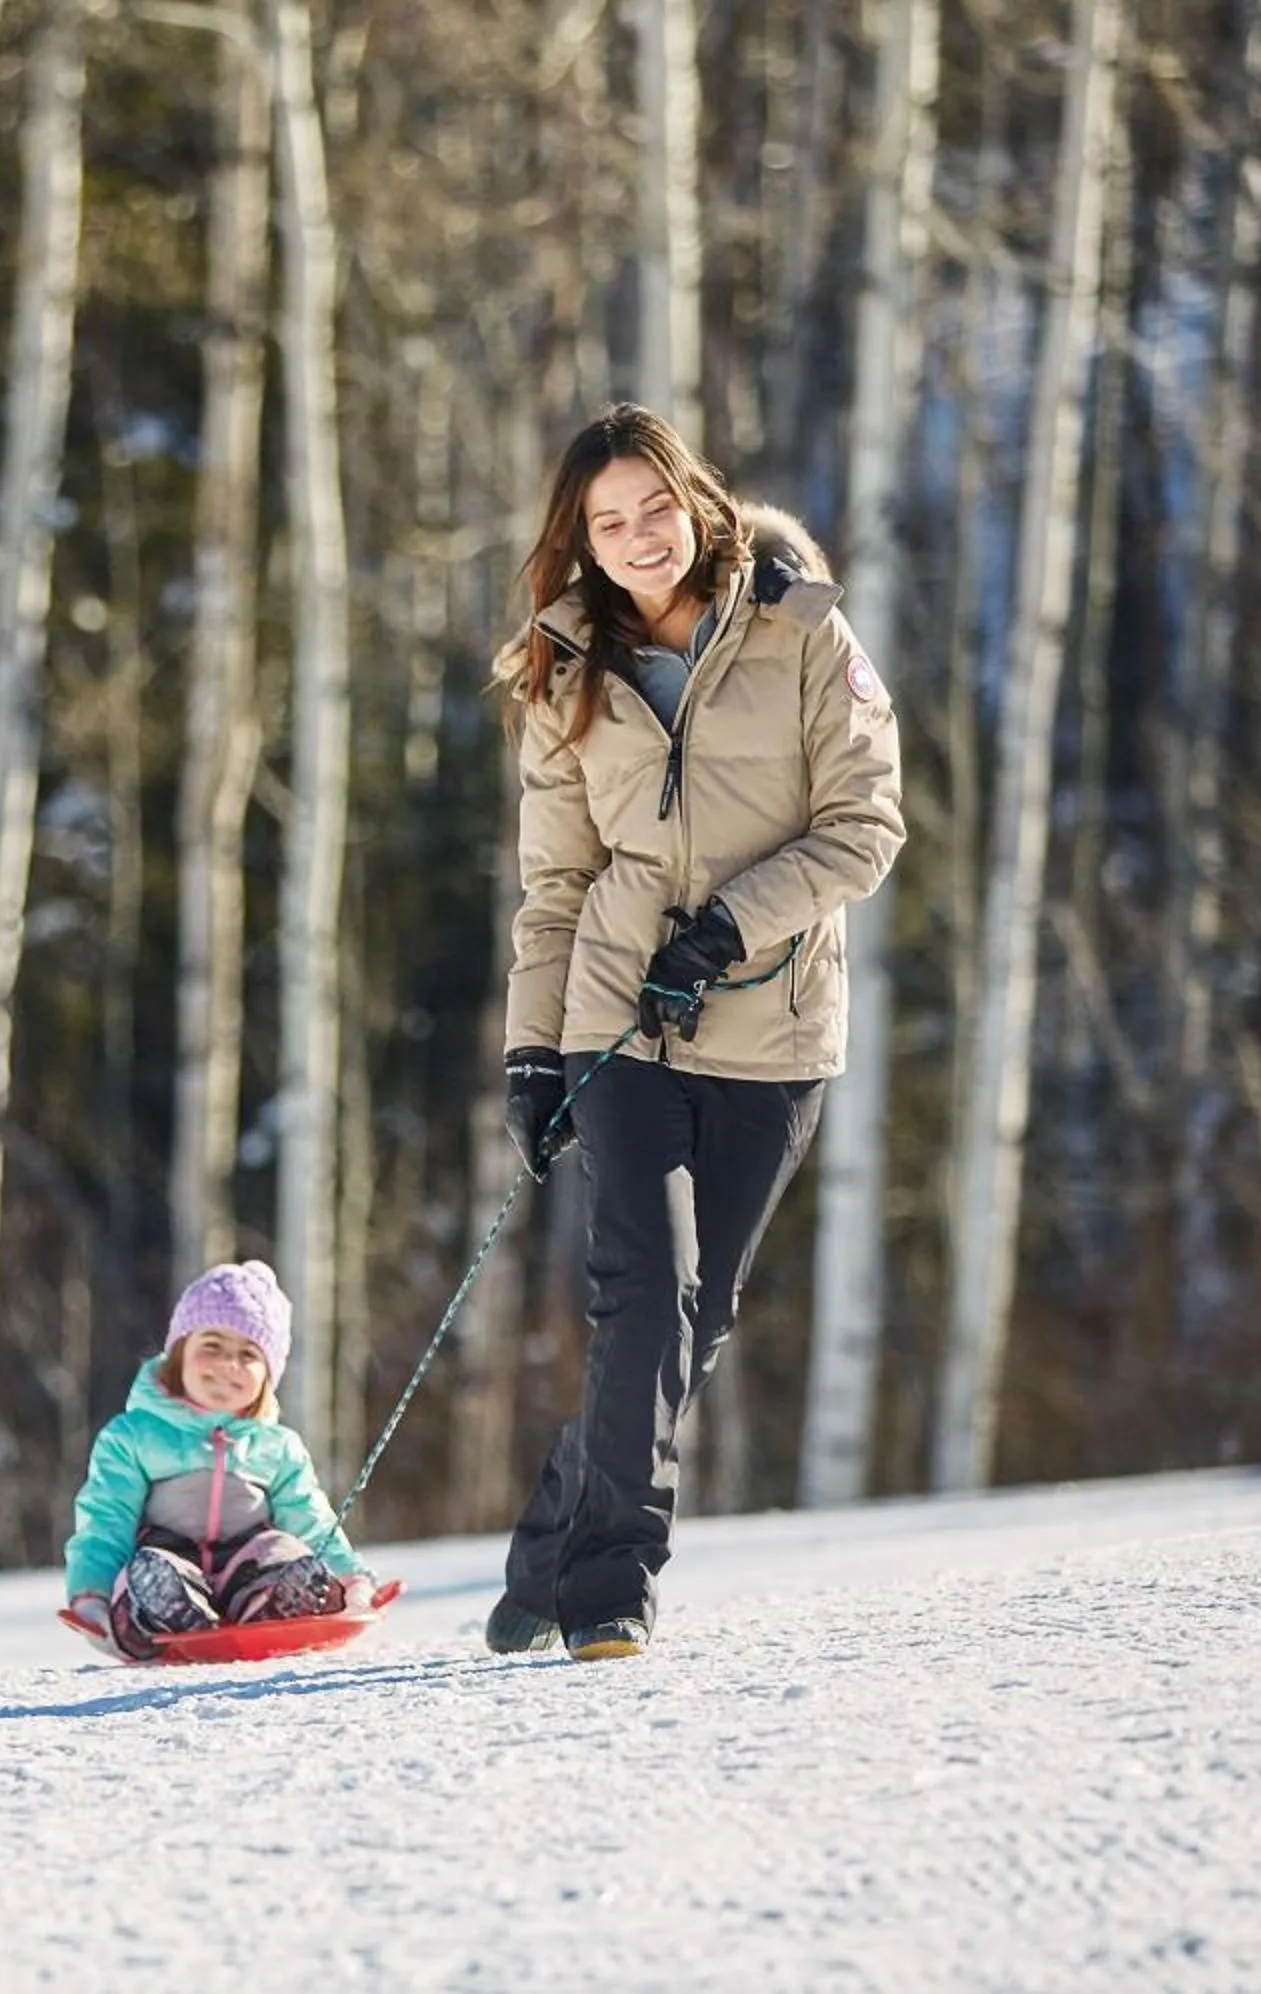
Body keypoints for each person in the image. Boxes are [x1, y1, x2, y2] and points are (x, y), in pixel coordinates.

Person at [487, 402, 905, 1662]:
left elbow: (866, 823)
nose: (637, 538)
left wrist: (727, 928)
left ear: (698, 497)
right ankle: (611, 1586)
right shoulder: (563, 668)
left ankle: (550, 1544)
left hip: (771, 1029)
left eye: (654, 509)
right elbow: (556, 885)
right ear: (581, 538)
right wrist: (533, 1049)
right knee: (643, 1300)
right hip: (619, 1026)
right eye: (607, 522)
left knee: (693, 1322)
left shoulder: (803, 628)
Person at [61, 1261, 378, 1661]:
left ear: (268, 1375)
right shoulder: (133, 1436)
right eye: (212, 1346)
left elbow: (311, 1520)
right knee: (148, 1569)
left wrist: (352, 1580)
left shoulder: (276, 1447)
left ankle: (280, 1600)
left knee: (283, 1549)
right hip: (167, 1561)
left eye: (248, 1354)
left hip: (246, 1569)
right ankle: (162, 1611)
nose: (229, 1365)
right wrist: (92, 1594)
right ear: (178, 1354)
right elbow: (105, 1521)